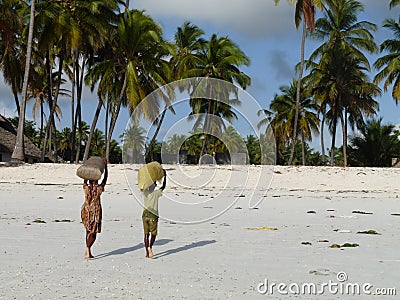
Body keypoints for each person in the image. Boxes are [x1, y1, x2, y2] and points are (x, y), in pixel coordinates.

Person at [81, 158, 108, 259]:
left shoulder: (86, 188)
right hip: (95, 211)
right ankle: (88, 250)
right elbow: (105, 179)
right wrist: (106, 168)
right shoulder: (98, 188)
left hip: (86, 210)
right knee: (93, 232)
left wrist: (86, 171)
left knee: (88, 230)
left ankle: (88, 250)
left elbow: (84, 180)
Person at [142, 169, 166, 258]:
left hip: (144, 215)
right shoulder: (156, 193)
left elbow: (142, 185)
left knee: (146, 234)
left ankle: (147, 252)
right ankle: (150, 247)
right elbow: (163, 187)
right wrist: (165, 177)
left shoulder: (145, 193)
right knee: (153, 234)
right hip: (153, 215)